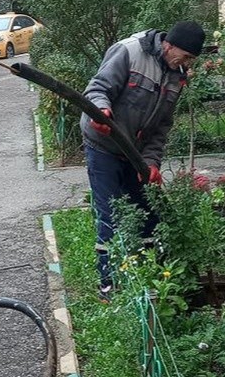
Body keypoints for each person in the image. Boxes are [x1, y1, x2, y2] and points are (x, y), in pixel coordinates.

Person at [80, 21, 205, 299]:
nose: (185, 63)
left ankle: (152, 275)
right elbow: (97, 89)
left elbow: (161, 126)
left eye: (191, 60)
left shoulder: (177, 75)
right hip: (103, 144)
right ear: (168, 44)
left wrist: (151, 163)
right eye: (183, 56)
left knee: (147, 213)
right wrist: (101, 112)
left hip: (136, 152)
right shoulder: (129, 52)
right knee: (110, 212)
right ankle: (109, 284)